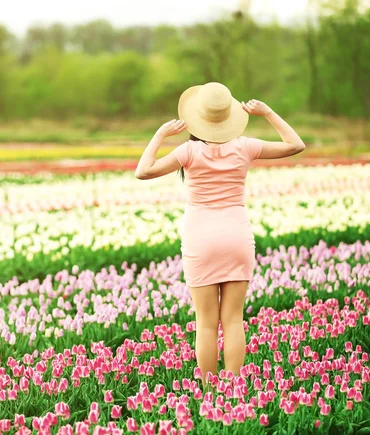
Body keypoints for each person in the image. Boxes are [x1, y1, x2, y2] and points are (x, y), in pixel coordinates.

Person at [135, 82, 305, 390]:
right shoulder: (245, 146)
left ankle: (210, 393)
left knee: (206, 323)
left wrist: (160, 134)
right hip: (237, 237)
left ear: (197, 118)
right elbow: (295, 144)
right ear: (230, 116)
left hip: (200, 238)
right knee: (233, 320)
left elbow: (143, 171)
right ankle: (234, 390)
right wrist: (266, 112)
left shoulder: (188, 151)